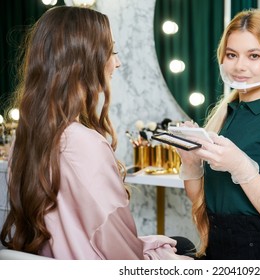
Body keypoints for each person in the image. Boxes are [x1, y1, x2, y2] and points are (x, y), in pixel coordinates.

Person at [0, 6, 193, 260]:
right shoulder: (84, 143)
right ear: (84, 61)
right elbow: (120, 252)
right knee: (188, 248)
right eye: (111, 52)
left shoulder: (24, 139)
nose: (118, 62)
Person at [176, 9, 260, 260]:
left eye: (254, 56)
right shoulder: (226, 115)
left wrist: (241, 167)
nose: (240, 66)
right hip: (218, 251)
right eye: (232, 55)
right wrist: (191, 163)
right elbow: (206, 203)